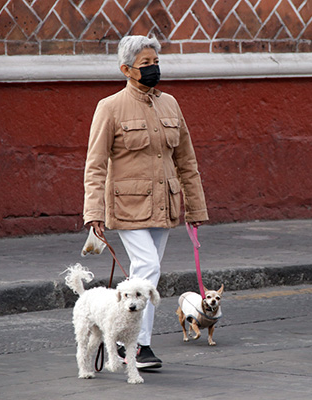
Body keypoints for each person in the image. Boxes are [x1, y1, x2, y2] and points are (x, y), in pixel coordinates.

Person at [83, 35, 209, 369]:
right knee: (147, 267)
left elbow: (187, 161)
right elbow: (95, 165)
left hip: (164, 204)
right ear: (126, 69)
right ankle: (134, 344)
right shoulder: (109, 108)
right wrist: (93, 213)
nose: (153, 69)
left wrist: (195, 209)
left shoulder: (171, 104)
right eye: (145, 64)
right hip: (126, 206)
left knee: (147, 273)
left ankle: (137, 343)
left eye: (155, 62)